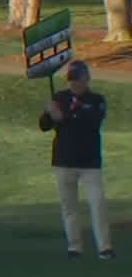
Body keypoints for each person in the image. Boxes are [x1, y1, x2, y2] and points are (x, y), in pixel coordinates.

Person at [39, 60, 113, 259]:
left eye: (78, 79)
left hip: (89, 162)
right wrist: (49, 113)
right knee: (69, 206)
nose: (74, 84)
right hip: (64, 160)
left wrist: (63, 118)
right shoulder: (60, 98)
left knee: (97, 204)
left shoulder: (97, 100)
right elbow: (44, 126)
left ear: (86, 79)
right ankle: (74, 247)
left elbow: (90, 124)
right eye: (71, 80)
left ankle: (104, 247)